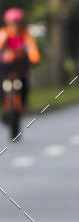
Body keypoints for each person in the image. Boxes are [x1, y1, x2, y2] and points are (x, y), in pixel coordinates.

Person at [0, 7, 40, 139]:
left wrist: (34, 59)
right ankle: (5, 110)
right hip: (5, 69)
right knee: (2, 88)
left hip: (20, 70)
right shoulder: (3, 34)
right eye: (12, 24)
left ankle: (23, 104)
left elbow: (33, 52)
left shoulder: (26, 36)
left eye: (17, 24)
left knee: (24, 86)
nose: (15, 27)